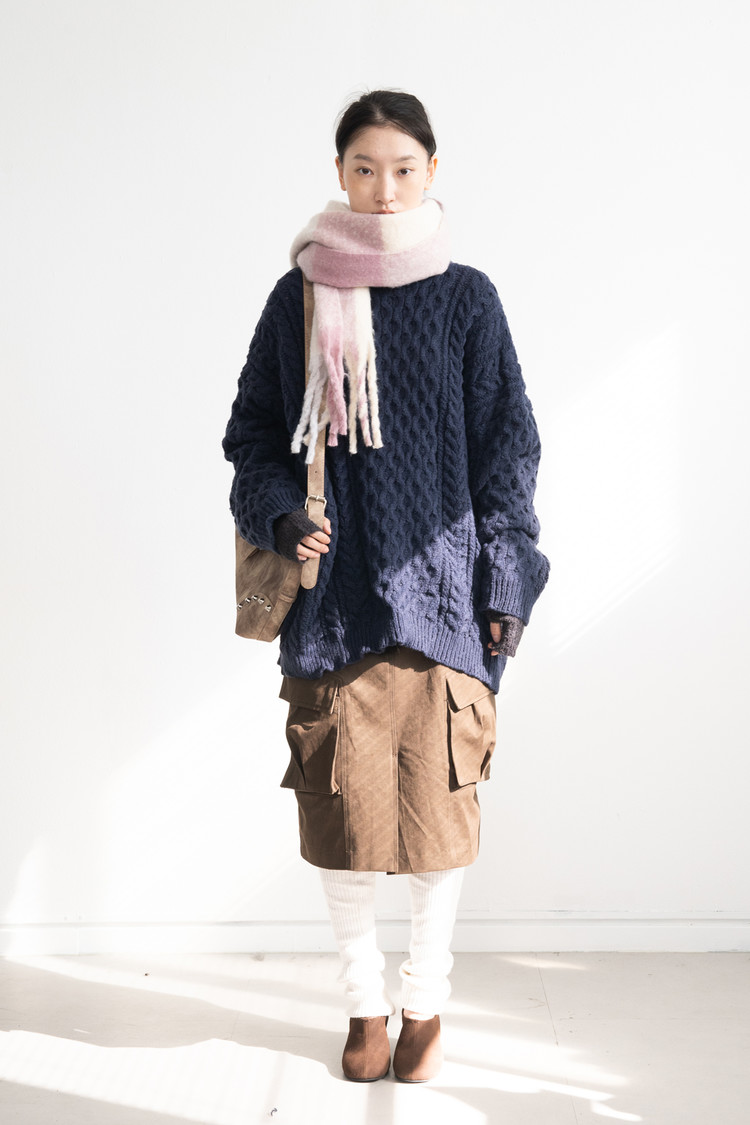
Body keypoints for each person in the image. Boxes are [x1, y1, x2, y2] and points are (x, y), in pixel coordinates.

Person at [222, 89, 549, 1083]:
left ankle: (424, 1001)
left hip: (446, 602)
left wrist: (505, 580)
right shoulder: (298, 297)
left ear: (432, 173)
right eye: (364, 168)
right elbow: (251, 436)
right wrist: (283, 515)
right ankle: (364, 1006)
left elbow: (508, 451)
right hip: (335, 603)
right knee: (342, 822)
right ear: (340, 174)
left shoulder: (467, 299)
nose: (384, 186)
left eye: (403, 168)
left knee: (440, 825)